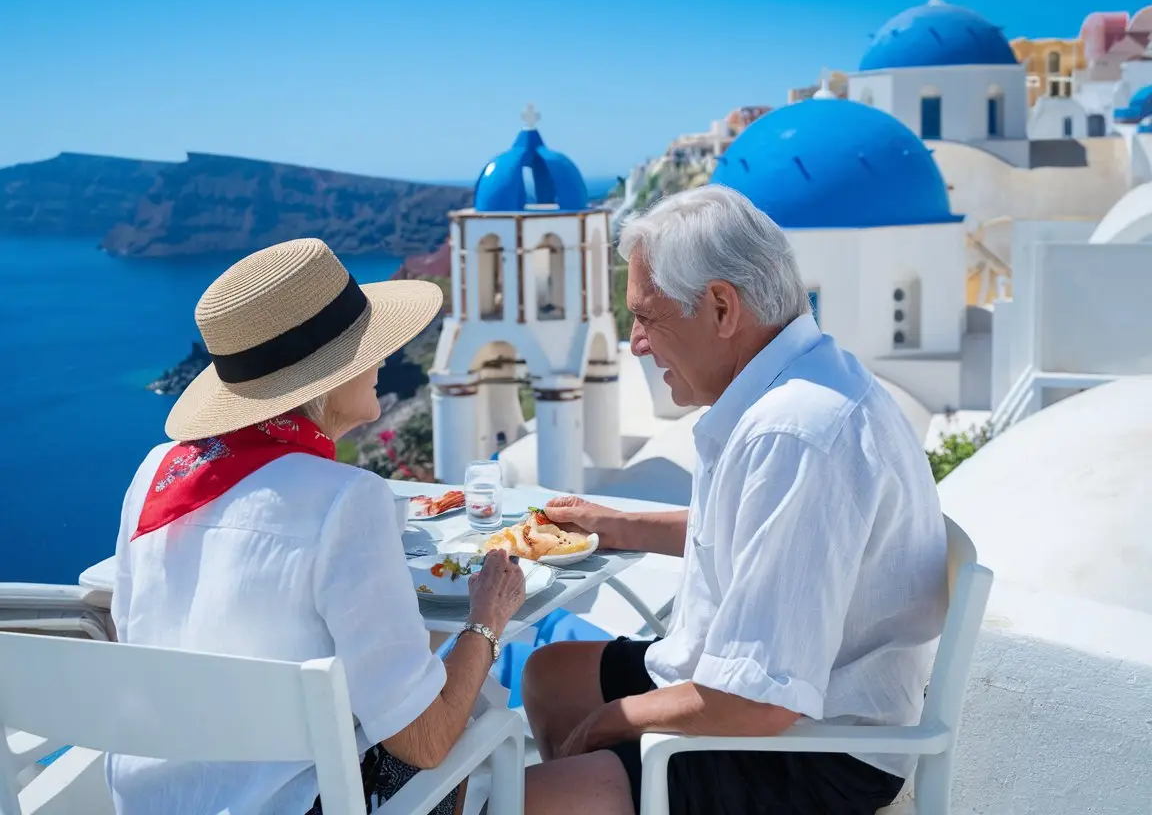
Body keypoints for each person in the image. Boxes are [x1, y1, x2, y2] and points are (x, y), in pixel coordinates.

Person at [517, 185, 948, 815]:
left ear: (721, 307)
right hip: (758, 695)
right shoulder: (797, 383)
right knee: (550, 676)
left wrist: (614, 722)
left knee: (517, 799)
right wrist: (617, 525)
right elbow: (757, 531)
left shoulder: (795, 433)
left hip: (810, 754)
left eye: (647, 316)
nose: (637, 342)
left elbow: (760, 701)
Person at [106, 238, 526, 815]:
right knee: (484, 719)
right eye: (367, 350)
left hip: (161, 801)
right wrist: (487, 619)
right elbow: (425, 740)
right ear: (325, 378)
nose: (382, 361)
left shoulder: (154, 475)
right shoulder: (346, 501)